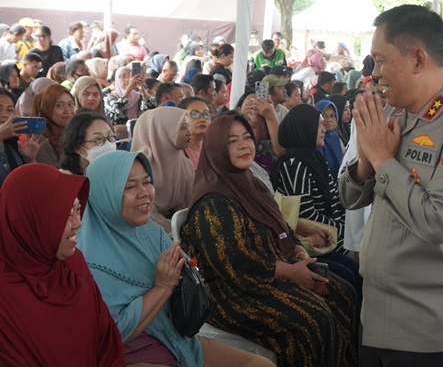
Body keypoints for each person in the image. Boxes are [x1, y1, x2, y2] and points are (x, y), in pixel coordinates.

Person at [339, 4, 443, 366]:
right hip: (376, 314)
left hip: (431, 330)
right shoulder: (393, 113)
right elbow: (350, 199)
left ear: (417, 58)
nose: (375, 74)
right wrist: (367, 160)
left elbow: (437, 221)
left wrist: (382, 158)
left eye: (381, 61)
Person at [181, 113, 358, 367]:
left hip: (272, 273)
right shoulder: (213, 201)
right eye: (232, 141)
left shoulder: (249, 182)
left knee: (342, 293)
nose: (243, 145)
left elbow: (281, 224)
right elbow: (235, 264)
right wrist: (290, 272)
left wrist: (298, 250)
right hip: (233, 293)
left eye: (246, 137)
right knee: (311, 318)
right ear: (217, 148)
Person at [79, 151, 274, 367]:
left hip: (175, 337)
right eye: (129, 187)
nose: (144, 193)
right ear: (104, 194)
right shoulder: (87, 260)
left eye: (147, 182)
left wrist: (185, 272)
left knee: (260, 364)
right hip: (130, 353)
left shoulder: (151, 232)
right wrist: (162, 287)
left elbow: (185, 278)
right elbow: (114, 333)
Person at [0, 164, 125, 366]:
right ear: (29, 220)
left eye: (77, 209)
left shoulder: (73, 265)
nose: (78, 223)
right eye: (65, 214)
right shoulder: (5, 294)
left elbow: (107, 342)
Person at [270, 104, 361, 296]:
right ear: (305, 128)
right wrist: (340, 230)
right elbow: (305, 212)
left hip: (330, 236)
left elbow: (336, 200)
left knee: (357, 269)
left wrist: (343, 228)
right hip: (312, 241)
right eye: (318, 125)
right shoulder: (294, 163)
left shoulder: (315, 158)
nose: (323, 129)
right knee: (350, 275)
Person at [131, 107, 193, 230]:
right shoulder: (138, 168)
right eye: (182, 127)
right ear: (162, 132)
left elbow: (190, 205)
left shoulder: (185, 164)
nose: (189, 132)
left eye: (188, 126)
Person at [0, 87, 43, 186]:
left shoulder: (13, 142)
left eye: (9, 110)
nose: (4, 115)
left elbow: (32, 183)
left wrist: (29, 159)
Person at [59, 111, 116, 175]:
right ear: (77, 147)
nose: (108, 144)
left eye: (110, 136)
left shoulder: (117, 171)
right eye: (98, 138)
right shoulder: (67, 180)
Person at [34, 84, 77, 167]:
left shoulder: (74, 132)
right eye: (59, 105)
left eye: (71, 104)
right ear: (46, 109)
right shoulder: (42, 139)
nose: (68, 110)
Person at [314, 99, 345, 177]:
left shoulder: (336, 137)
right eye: (323, 116)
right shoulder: (315, 139)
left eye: (332, 116)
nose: (328, 120)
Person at [177, 96, 211, 169]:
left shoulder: (212, 147)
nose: (202, 119)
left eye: (206, 114)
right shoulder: (178, 152)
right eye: (195, 114)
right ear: (182, 118)